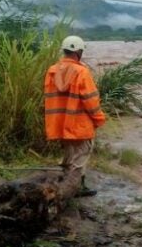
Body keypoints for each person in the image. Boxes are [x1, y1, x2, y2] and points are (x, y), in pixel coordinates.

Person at [44, 35, 106, 192]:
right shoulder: (81, 72)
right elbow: (91, 100)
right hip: (79, 124)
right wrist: (99, 119)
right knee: (81, 156)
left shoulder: (52, 71)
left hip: (59, 123)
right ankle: (76, 187)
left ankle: (66, 182)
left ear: (64, 50)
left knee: (69, 154)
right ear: (79, 51)